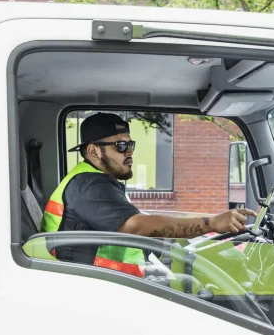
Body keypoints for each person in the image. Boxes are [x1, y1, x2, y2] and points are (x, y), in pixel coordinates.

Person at [41, 112, 257, 276]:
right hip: (94, 286)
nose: (130, 152)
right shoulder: (90, 185)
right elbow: (136, 226)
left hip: (107, 279)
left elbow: (138, 221)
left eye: (130, 144)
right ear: (93, 151)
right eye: (121, 145)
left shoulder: (97, 180)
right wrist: (212, 223)